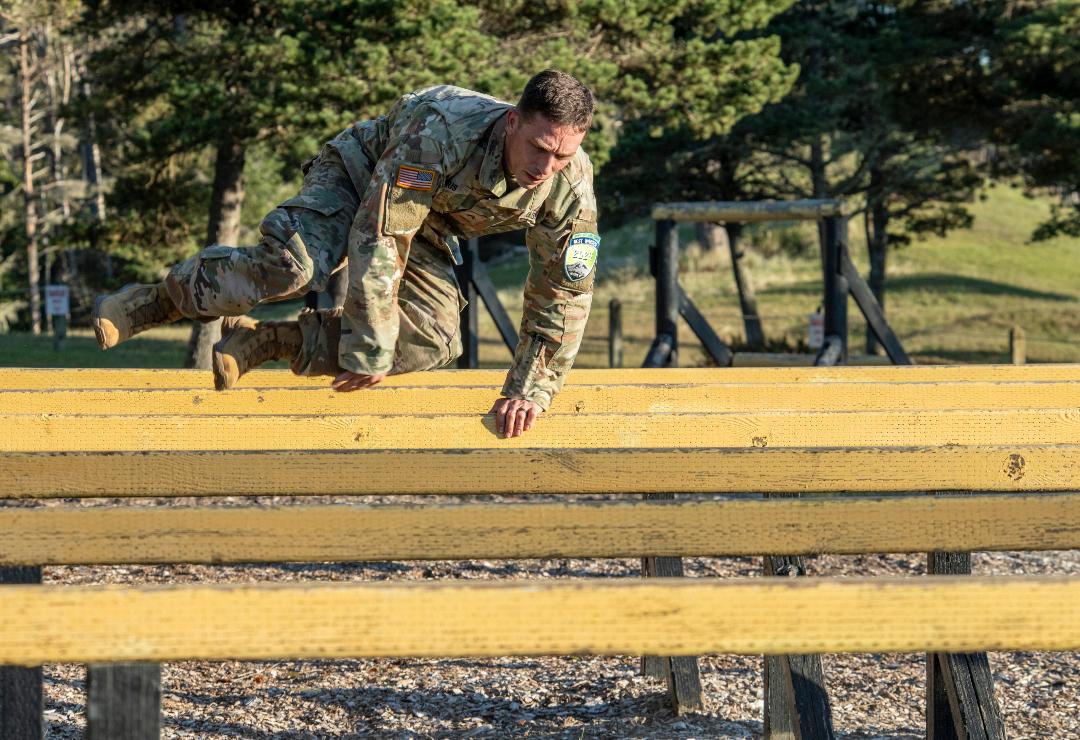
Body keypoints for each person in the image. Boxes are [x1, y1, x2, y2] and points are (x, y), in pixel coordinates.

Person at [92, 70, 599, 438]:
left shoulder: (571, 188)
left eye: (562, 155)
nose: (546, 165)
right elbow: (381, 234)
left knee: (437, 338)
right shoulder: (443, 129)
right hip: (360, 180)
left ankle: (271, 342)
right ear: (512, 122)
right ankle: (157, 301)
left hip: (427, 222)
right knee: (295, 268)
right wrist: (370, 344)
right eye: (539, 147)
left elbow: (566, 294)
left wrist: (529, 389)